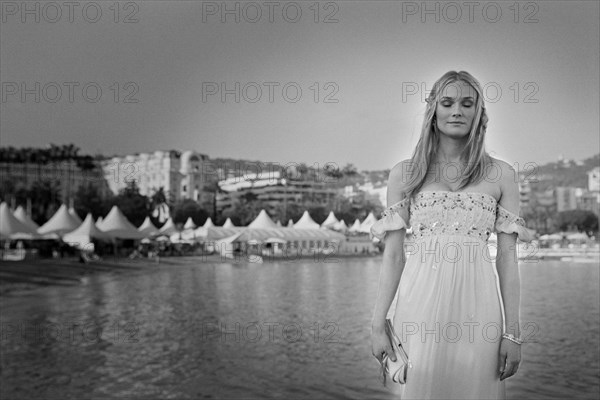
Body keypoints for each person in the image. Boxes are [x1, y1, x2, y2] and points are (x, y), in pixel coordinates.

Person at [369, 70, 535, 399]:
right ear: (434, 111)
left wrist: (512, 334)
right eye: (447, 102)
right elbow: (393, 255)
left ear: (479, 113)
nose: (457, 110)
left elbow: (507, 260)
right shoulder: (405, 173)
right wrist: (377, 325)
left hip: (481, 308)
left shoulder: (501, 174)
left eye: (466, 103)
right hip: (418, 307)